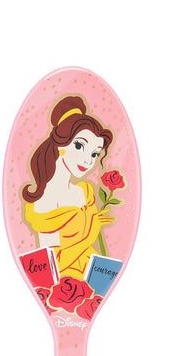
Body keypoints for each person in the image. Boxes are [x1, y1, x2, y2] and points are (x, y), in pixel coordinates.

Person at [22, 96, 115, 279]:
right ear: (60, 144)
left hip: (94, 273)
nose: (88, 161)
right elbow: (52, 265)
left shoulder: (85, 191)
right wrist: (90, 234)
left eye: (94, 154)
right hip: (66, 281)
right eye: (79, 146)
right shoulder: (45, 200)